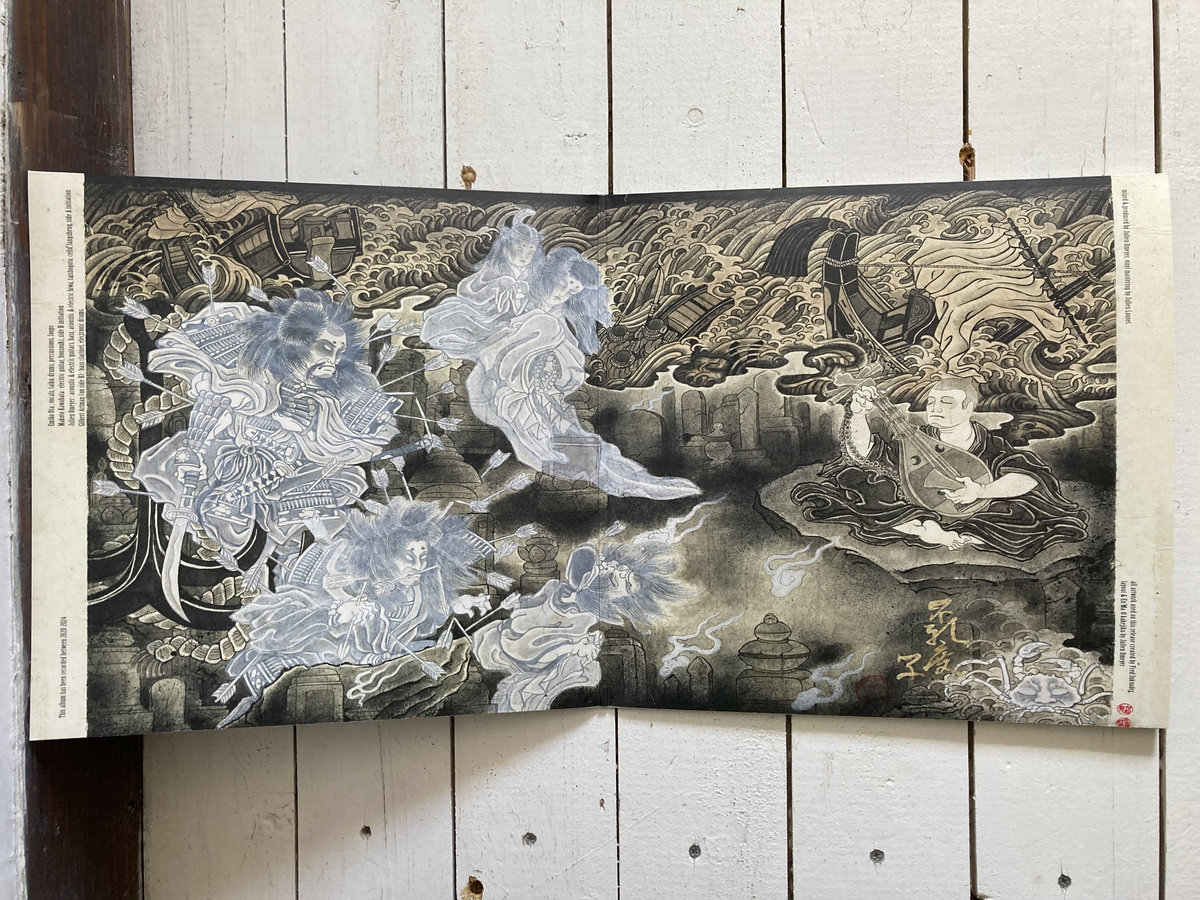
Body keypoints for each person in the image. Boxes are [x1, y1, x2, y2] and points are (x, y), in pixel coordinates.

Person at [135, 290, 401, 602]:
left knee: (326, 509)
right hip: (235, 468)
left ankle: (286, 585)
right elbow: (215, 416)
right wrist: (194, 453)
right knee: (227, 516)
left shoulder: (328, 402)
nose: (334, 359)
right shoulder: (252, 383)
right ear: (298, 344)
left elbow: (336, 448)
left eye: (339, 351)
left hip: (292, 479)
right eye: (325, 347)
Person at [423, 218, 700, 500]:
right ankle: (616, 479)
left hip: (537, 390)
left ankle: (639, 482)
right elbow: (495, 340)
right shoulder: (523, 297)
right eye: (564, 284)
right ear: (553, 276)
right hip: (503, 388)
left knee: (582, 443)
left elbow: (568, 363)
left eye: (572, 291)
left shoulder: (555, 319)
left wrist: (545, 372)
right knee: (544, 440)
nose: (563, 293)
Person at [213, 498, 489, 727]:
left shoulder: (416, 590)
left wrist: (457, 603)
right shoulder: (352, 580)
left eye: (422, 557)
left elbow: (427, 620)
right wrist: (337, 613)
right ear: (386, 558)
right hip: (327, 658)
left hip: (381, 666)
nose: (417, 566)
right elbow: (299, 610)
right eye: (408, 558)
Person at [791, 376, 1088, 559]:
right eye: (931, 402)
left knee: (1022, 512)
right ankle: (928, 529)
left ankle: (934, 530)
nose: (935, 408)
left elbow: (1028, 475)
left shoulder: (990, 444)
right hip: (919, 502)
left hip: (976, 507)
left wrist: (981, 490)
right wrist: (858, 414)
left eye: (946, 402)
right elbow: (865, 453)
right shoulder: (915, 439)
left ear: (968, 409)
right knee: (860, 481)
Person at [473, 535, 692, 713]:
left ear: (623, 600)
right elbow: (579, 562)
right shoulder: (560, 586)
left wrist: (574, 647)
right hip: (508, 635)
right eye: (620, 568)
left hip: (527, 649)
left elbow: (538, 647)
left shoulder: (585, 616)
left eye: (626, 583)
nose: (620, 573)